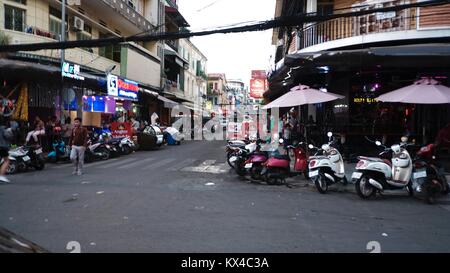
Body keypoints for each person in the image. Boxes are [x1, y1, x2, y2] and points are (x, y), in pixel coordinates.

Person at [0, 118, 14, 183]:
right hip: (2, 146)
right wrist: (10, 131)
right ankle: (1, 175)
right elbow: (8, 136)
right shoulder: (3, 128)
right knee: (6, 160)